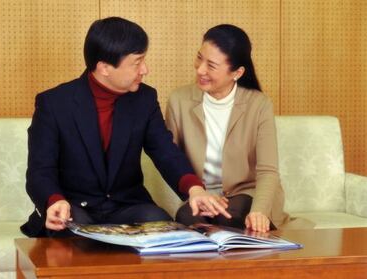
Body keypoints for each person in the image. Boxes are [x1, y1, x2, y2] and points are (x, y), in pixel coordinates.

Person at [21, 17, 229, 238]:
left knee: (163, 228)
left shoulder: (144, 99)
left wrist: (194, 189)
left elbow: (165, 151)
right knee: (74, 232)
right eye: (137, 62)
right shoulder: (54, 103)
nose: (145, 70)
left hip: (126, 206)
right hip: (73, 206)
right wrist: (54, 200)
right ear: (104, 68)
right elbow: (40, 170)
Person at [165, 24, 289, 233]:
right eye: (199, 58)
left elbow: (268, 170)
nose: (200, 69)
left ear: (237, 72)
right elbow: (170, 159)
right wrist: (196, 193)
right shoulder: (179, 100)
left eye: (211, 65)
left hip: (247, 194)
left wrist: (259, 211)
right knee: (186, 217)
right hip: (202, 196)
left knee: (234, 214)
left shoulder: (259, 104)